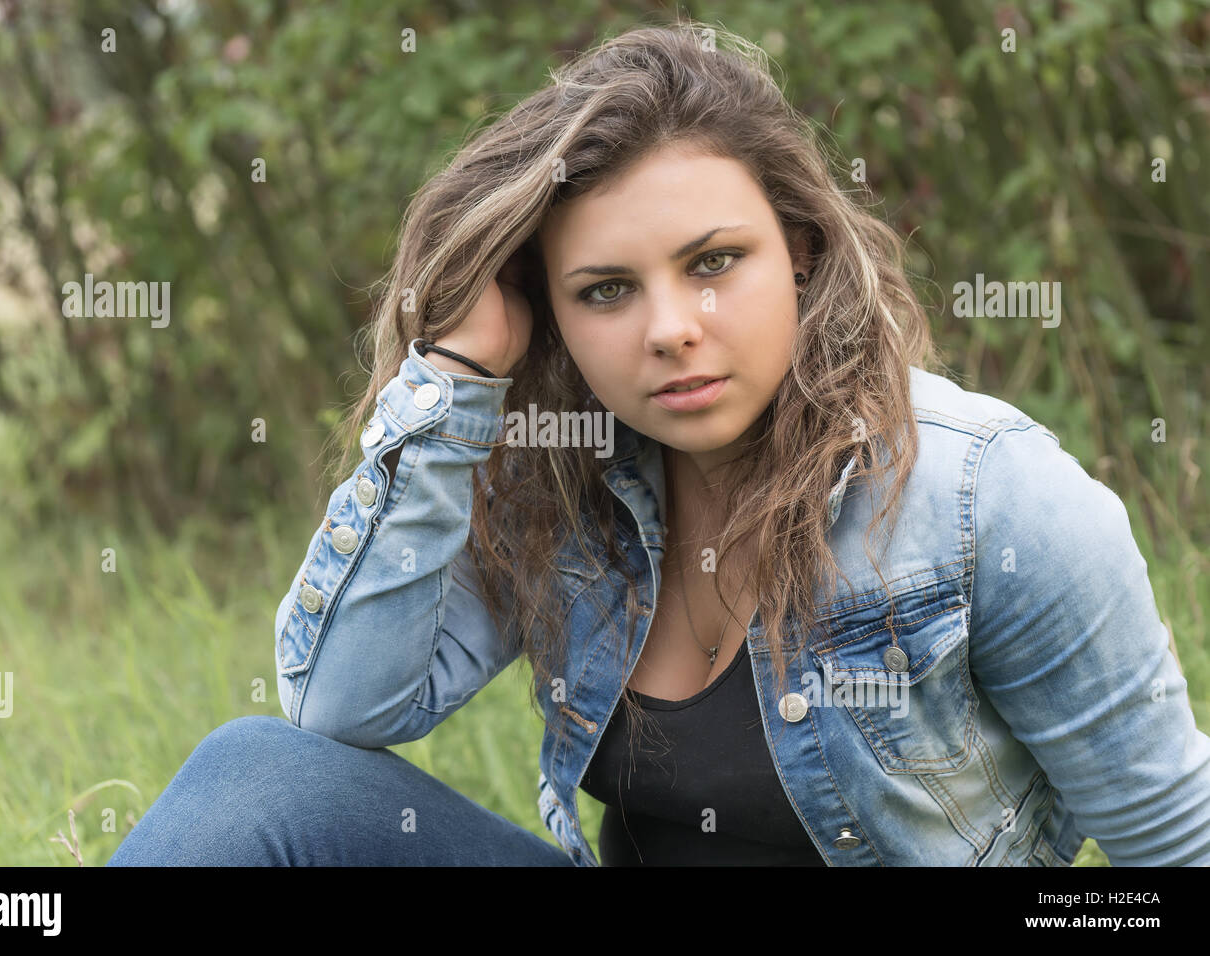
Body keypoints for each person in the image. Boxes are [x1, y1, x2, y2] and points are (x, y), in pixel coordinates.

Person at [108, 20, 1210, 867]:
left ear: (803, 253)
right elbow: (341, 708)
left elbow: (1172, 851)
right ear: (552, 314)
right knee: (256, 773)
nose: (670, 325)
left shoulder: (990, 500)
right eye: (605, 289)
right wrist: (452, 381)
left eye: (715, 261)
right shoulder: (562, 483)